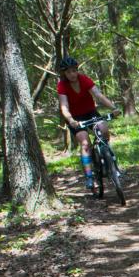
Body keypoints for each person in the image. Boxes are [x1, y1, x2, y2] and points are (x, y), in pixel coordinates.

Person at [56, 56, 119, 191]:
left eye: (74, 70)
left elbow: (98, 95)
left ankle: (109, 159)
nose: (72, 74)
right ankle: (89, 176)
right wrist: (71, 120)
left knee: (104, 129)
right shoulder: (62, 86)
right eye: (68, 72)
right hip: (75, 119)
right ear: (64, 74)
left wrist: (113, 108)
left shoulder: (84, 79)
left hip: (90, 112)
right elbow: (64, 106)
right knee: (85, 143)